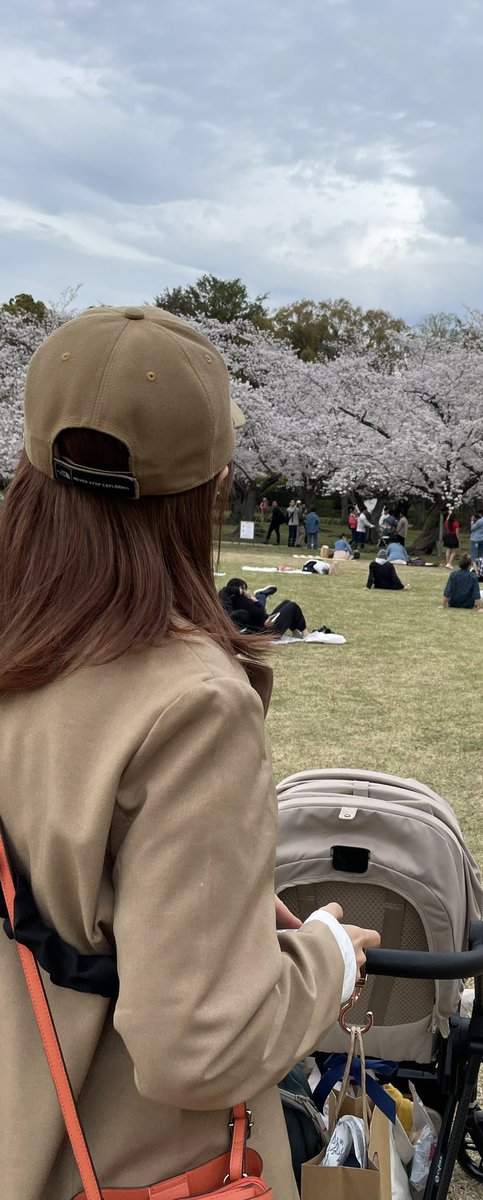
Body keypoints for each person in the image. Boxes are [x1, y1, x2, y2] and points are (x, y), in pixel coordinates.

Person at [0, 305, 380, 1198]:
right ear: (214, 485)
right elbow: (197, 1048)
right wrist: (328, 959)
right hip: (106, 1156)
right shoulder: (189, 706)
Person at [218, 579, 309, 637]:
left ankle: (295, 631)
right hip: (268, 630)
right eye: (244, 589)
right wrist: (255, 601)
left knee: (286, 603)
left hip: (262, 628)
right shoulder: (241, 601)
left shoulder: (229, 603)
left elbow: (223, 591)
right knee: (292, 606)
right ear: (240, 589)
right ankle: (305, 633)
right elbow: (260, 612)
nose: (247, 592)